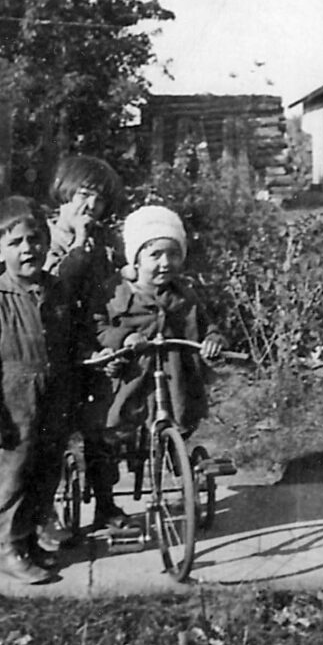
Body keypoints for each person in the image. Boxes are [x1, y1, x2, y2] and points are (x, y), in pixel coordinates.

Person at [81, 205, 224, 512]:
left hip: (174, 378)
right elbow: (97, 327)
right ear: (135, 258)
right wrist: (123, 338)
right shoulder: (115, 292)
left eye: (173, 254)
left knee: (177, 423)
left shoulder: (184, 295)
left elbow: (206, 325)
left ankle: (181, 474)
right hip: (130, 378)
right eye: (155, 254)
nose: (165, 263)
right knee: (113, 432)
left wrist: (212, 340)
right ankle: (106, 499)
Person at [0, 196, 75, 583]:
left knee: (45, 471)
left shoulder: (56, 290)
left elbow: (70, 340)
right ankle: (9, 549)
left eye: (34, 239)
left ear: (46, 242)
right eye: (15, 243)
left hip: (53, 397)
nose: (27, 248)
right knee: (12, 476)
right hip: (14, 404)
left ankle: (29, 541)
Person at [43, 153, 128, 536]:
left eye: (100, 199)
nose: (91, 206)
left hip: (95, 341)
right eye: (84, 195)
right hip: (55, 345)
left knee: (101, 427)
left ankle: (106, 505)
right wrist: (78, 242)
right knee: (53, 432)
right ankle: (46, 512)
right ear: (64, 192)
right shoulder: (44, 236)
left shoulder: (105, 240)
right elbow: (53, 286)